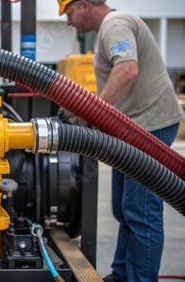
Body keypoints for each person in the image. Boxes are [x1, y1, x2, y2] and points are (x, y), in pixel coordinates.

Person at [57, 0, 185, 281]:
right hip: (132, 130)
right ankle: (123, 273)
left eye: (69, 13)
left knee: (141, 211)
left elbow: (127, 70)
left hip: (150, 126)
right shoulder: (108, 29)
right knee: (124, 207)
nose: (68, 22)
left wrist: (93, 114)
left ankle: (140, 278)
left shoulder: (115, 24)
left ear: (84, 5)